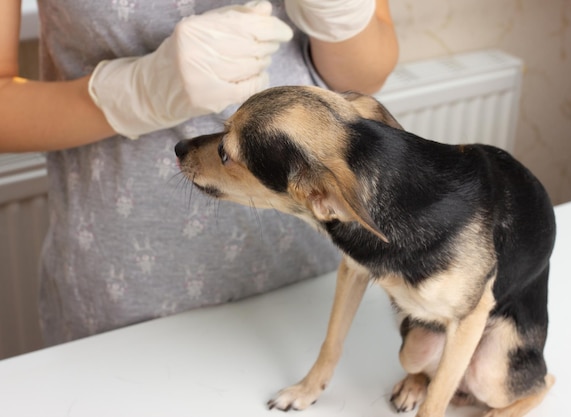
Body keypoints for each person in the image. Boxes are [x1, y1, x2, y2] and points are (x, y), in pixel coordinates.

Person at [0, 0, 398, 346]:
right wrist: (134, 93)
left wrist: (339, 12)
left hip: (307, 269)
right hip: (124, 287)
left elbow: (365, 79)